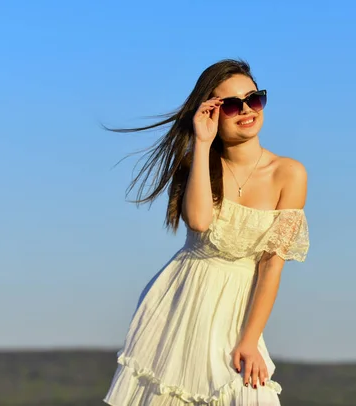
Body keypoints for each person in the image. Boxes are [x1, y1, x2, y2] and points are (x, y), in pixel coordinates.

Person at [103, 59, 310, 406]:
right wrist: (201, 143)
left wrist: (250, 339)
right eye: (231, 105)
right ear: (213, 112)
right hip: (183, 298)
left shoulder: (289, 174)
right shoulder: (197, 164)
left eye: (254, 99)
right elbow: (199, 222)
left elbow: (272, 265)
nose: (246, 110)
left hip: (238, 307)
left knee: (248, 396)